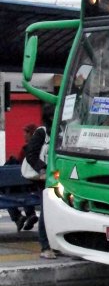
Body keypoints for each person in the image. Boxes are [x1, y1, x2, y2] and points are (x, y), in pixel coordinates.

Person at [23, 105, 56, 259]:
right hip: (44, 178)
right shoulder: (42, 132)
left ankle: (55, 244)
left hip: (57, 177)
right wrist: (43, 171)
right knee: (46, 210)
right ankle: (45, 246)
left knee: (56, 211)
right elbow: (31, 155)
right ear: (51, 117)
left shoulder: (60, 132)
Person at [6, 124, 39, 232]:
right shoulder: (43, 148)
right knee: (24, 186)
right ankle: (30, 214)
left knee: (8, 190)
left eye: (26, 133)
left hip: (25, 183)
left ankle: (17, 217)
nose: (24, 135)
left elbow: (20, 168)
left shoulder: (26, 149)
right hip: (36, 185)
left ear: (31, 134)